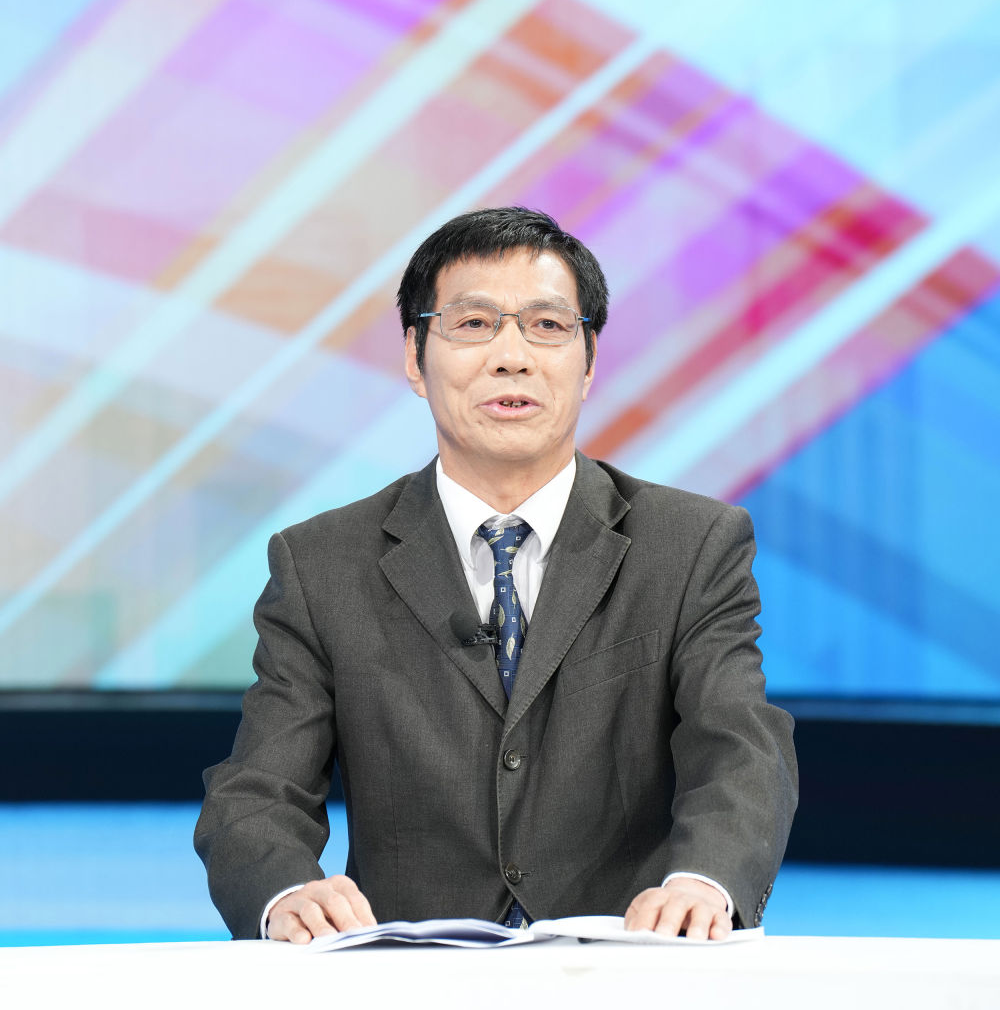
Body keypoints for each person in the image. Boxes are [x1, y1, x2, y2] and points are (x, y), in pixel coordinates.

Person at [195, 207, 797, 943]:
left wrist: (704, 880)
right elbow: (258, 789)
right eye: (474, 324)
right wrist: (287, 891)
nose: (512, 357)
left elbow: (740, 745)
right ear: (415, 357)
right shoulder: (323, 563)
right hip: (408, 980)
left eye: (547, 325)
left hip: (628, 968)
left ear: (589, 361)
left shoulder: (691, 544)